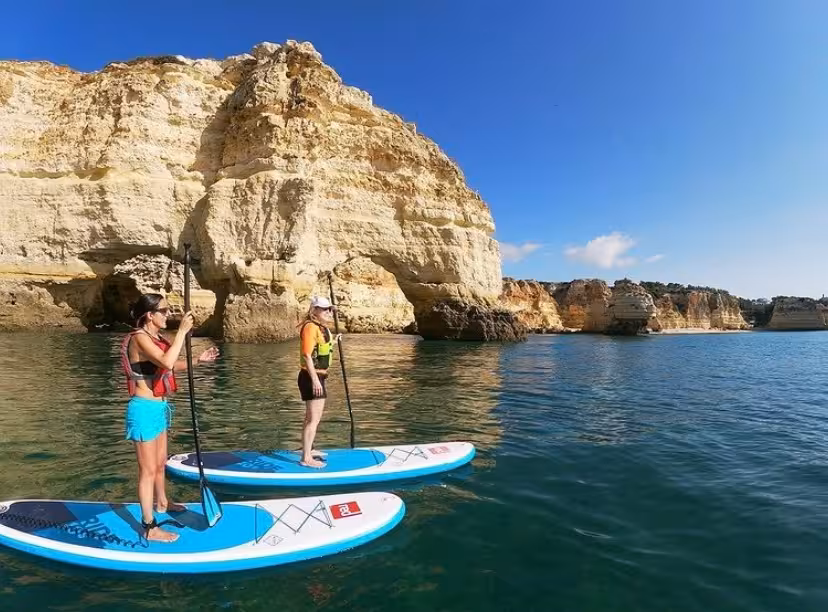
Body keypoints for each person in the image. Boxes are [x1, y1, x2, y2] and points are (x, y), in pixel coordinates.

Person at [120, 293, 219, 542]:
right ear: (149, 315)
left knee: (160, 463)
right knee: (147, 470)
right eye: (163, 311)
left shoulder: (155, 338)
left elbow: (168, 366)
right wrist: (183, 333)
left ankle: (163, 502)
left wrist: (198, 360)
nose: (167, 315)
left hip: (159, 409)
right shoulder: (140, 338)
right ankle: (149, 526)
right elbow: (166, 359)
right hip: (143, 409)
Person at [297, 296, 341, 468]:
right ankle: (306, 458)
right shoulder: (309, 327)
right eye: (324, 309)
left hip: (318, 376)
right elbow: (307, 355)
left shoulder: (321, 328)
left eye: (330, 309)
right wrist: (315, 380)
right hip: (311, 377)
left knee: (310, 417)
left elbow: (321, 349)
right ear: (314, 310)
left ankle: (309, 448)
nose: (329, 312)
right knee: (313, 419)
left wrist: (335, 341)